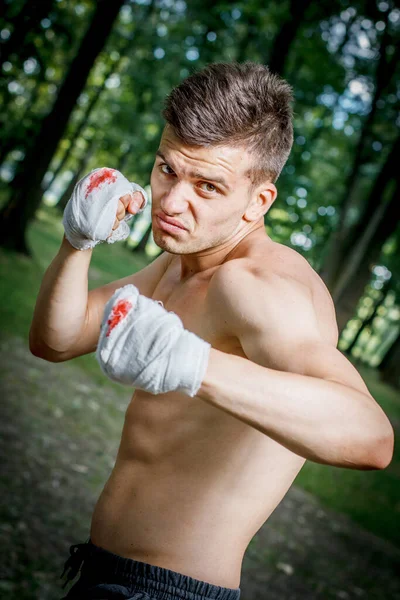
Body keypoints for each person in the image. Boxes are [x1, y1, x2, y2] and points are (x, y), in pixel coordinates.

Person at [29, 62, 394, 600]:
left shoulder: (258, 286)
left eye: (207, 185)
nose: (173, 203)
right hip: (108, 574)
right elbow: (55, 340)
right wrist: (77, 244)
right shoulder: (183, 262)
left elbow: (372, 438)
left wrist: (193, 361)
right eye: (167, 170)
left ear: (258, 201)